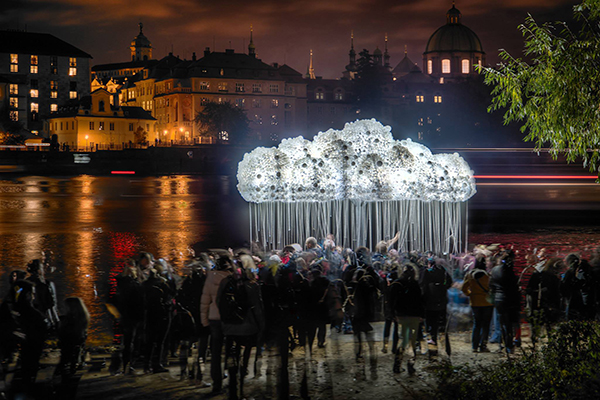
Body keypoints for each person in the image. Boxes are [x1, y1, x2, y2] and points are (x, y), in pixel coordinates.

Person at [219, 263, 264, 400]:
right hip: (247, 327)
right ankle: (242, 385)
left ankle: (233, 389)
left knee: (233, 355)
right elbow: (258, 308)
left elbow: (218, 302)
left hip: (230, 326)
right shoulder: (253, 286)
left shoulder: (225, 283)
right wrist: (262, 325)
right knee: (246, 353)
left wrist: (224, 323)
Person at [200, 256, 233, 394]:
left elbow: (205, 301)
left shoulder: (211, 277)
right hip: (230, 319)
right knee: (231, 350)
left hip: (214, 318)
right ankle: (232, 379)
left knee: (215, 351)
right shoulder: (232, 277)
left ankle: (216, 382)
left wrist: (204, 321)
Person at [390, 263, 424, 374]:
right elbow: (420, 301)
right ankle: (410, 365)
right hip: (414, 315)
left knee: (402, 340)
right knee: (412, 341)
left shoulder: (397, 284)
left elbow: (391, 301)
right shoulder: (415, 285)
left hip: (401, 316)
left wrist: (393, 314)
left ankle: (397, 364)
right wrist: (421, 315)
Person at [114, 259, 144, 374]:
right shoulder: (125, 283)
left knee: (131, 341)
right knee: (129, 341)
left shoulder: (132, 283)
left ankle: (128, 363)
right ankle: (127, 364)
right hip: (130, 316)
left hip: (133, 315)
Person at [489, 250, 521, 353]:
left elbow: (491, 285)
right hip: (509, 299)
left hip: (498, 299)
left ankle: (501, 343)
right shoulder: (509, 271)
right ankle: (509, 345)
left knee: (501, 322)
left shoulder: (494, 270)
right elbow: (513, 287)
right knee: (509, 324)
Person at [526, 258, 562, 345]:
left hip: (538, 304)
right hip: (546, 304)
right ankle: (549, 342)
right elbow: (557, 293)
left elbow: (528, 290)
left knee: (538, 324)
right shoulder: (550, 277)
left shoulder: (538, 275)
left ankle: (535, 342)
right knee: (548, 325)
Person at [420, 256, 452, 351]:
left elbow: (422, 284)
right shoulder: (443, 271)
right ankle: (442, 336)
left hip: (430, 299)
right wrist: (444, 287)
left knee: (431, 320)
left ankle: (433, 336)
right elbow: (449, 281)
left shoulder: (426, 272)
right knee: (441, 318)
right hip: (441, 298)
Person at [461, 258, 494, 353]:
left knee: (477, 324)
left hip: (475, 302)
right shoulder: (487, 275)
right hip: (487, 302)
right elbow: (491, 287)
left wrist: (470, 294)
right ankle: (483, 345)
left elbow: (464, 288)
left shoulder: (470, 274)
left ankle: (474, 346)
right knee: (486, 325)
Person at [55, 297, 89, 382]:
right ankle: (71, 371)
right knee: (71, 357)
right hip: (76, 341)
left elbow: (64, 331)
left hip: (68, 341)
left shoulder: (69, 319)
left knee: (64, 359)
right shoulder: (82, 318)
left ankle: (63, 377)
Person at [561, 253, 596, 321]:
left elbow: (565, 286)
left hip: (576, 299)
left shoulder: (571, 272)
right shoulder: (588, 270)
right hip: (587, 299)